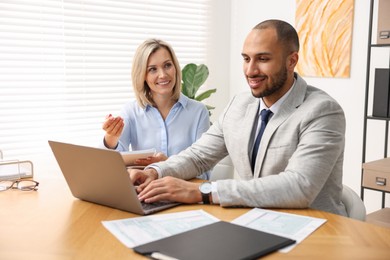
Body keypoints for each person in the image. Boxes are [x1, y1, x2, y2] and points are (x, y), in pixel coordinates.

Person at [130, 20, 348, 216]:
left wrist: (203, 191)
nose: (251, 70)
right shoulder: (238, 105)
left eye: (262, 59)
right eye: (246, 59)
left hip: (314, 229)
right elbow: (198, 156)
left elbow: (299, 186)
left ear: (292, 61)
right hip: (255, 221)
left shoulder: (323, 111)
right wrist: (155, 172)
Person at [102, 38, 211, 179]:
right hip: (145, 193)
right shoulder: (131, 111)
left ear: (175, 68)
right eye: (152, 69)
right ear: (143, 76)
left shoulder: (198, 112)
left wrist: (167, 165)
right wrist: (111, 138)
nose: (163, 75)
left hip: (184, 195)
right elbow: (110, 166)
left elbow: (205, 175)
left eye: (167, 65)